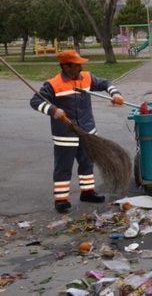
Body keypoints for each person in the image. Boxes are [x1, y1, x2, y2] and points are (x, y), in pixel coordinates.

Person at [29, 50, 125, 213]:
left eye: (81, 64)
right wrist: (52, 110)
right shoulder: (53, 84)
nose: (81, 67)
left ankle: (87, 192)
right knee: (63, 167)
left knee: (87, 162)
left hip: (87, 132)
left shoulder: (87, 77)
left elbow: (105, 83)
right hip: (65, 135)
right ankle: (61, 200)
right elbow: (35, 101)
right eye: (77, 64)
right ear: (66, 66)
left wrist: (115, 94)